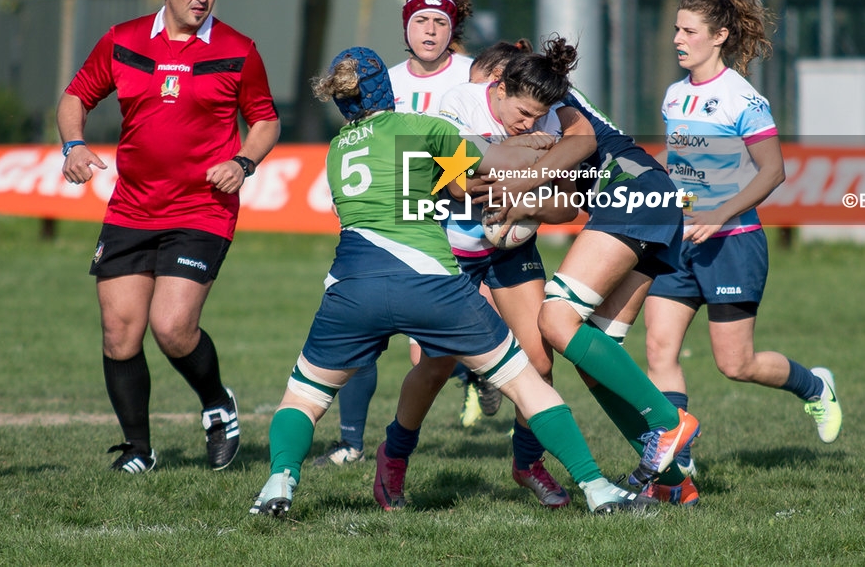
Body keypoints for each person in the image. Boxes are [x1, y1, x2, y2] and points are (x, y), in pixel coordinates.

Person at [250, 46, 650, 517]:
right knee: (506, 378)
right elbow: (471, 178)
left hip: (355, 283)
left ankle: (279, 481)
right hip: (435, 275)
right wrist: (545, 151)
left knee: (304, 395)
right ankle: (593, 486)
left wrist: (526, 187)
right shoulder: (430, 123)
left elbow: (504, 187)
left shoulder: (337, 150)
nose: (528, 121)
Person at [56, 0, 281, 473]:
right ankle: (138, 449)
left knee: (172, 326)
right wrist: (74, 145)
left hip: (203, 210)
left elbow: (266, 119)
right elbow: (75, 97)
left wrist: (244, 163)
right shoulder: (123, 39)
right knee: (119, 332)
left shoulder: (237, 49)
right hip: (131, 208)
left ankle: (217, 405)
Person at [377, 36, 596, 510]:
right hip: (452, 250)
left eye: (538, 117)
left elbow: (566, 208)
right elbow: (457, 184)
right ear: (498, 88)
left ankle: (527, 464)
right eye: (522, 112)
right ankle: (393, 458)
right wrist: (524, 154)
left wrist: (527, 197)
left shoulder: (552, 120)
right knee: (435, 365)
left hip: (511, 249)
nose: (530, 122)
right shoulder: (460, 102)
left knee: (538, 361)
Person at [641, 0, 842, 502]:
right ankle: (678, 452)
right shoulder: (673, 93)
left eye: (689, 31)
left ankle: (814, 386)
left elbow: (772, 170)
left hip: (733, 242)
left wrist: (718, 213)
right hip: (679, 240)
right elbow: (681, 161)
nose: (677, 39)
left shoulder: (742, 99)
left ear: (719, 37)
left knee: (737, 364)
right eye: (677, 29)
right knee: (659, 347)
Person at [486, 64, 704, 503]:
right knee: (596, 360)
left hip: (634, 196)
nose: (525, 120)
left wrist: (519, 186)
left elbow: (583, 137)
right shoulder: (543, 122)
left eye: (532, 111)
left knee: (556, 317)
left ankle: (670, 420)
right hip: (650, 201)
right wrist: (527, 203)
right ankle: (673, 484)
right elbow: (566, 203)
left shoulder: (561, 109)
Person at [315, 0, 491, 469]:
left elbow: (482, 144)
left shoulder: (474, 76)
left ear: (453, 28)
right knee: (374, 332)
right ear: (405, 27)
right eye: (420, 21)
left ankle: (483, 384)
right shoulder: (380, 81)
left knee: (454, 349)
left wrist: (460, 180)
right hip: (403, 224)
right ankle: (352, 442)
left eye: (440, 22)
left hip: (469, 223)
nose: (430, 31)